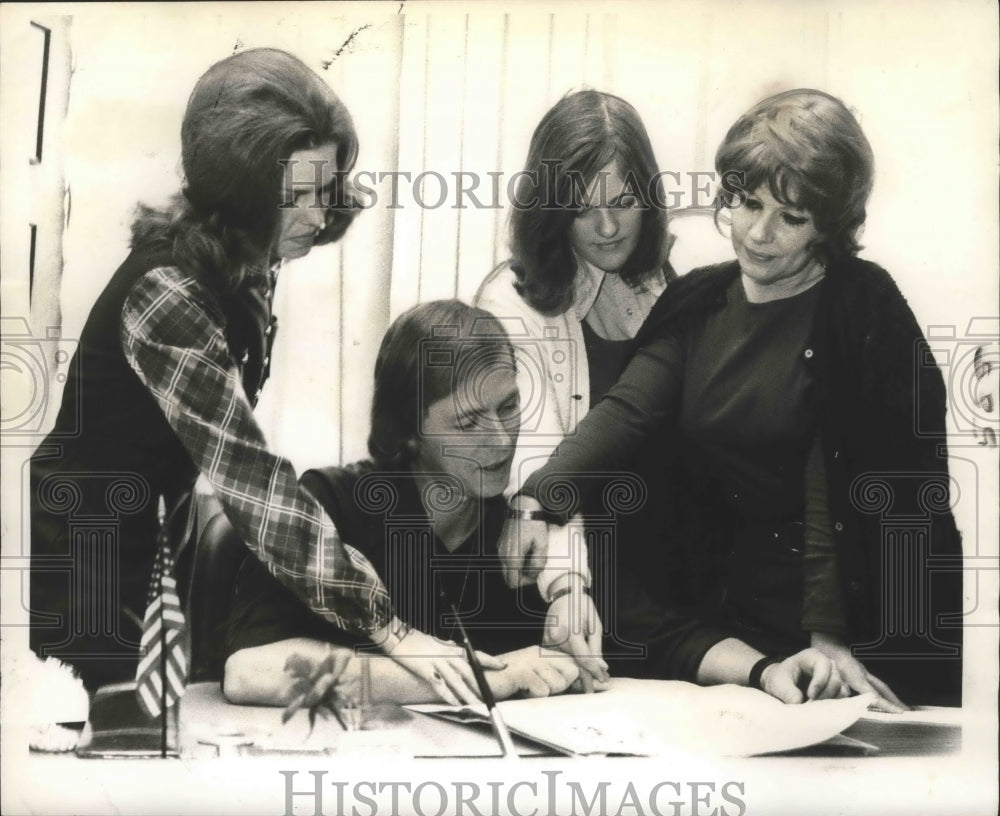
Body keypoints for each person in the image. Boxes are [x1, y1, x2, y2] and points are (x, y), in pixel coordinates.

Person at [28, 48, 487, 702]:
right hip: (78, 570)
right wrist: (390, 627)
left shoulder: (245, 261)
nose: (320, 216)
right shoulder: (168, 296)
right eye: (295, 198)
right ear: (240, 195)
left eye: (324, 189)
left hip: (145, 552)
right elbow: (250, 482)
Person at [500, 89, 963, 708]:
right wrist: (538, 496)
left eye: (790, 217)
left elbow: (882, 490)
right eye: (745, 203)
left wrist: (832, 638)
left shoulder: (863, 306)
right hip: (736, 627)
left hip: (856, 621)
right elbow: (626, 412)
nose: (759, 234)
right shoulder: (699, 299)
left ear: (829, 224)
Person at [223, 301, 581, 705]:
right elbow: (248, 672)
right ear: (409, 430)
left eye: (509, 407)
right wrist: (476, 681)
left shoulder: (517, 532)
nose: (501, 440)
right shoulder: (331, 504)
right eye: (468, 421)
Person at [474, 90, 679, 682]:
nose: (609, 226)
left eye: (623, 201)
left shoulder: (672, 285)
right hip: (580, 573)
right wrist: (567, 586)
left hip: (672, 563)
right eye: (584, 208)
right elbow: (539, 451)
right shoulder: (510, 301)